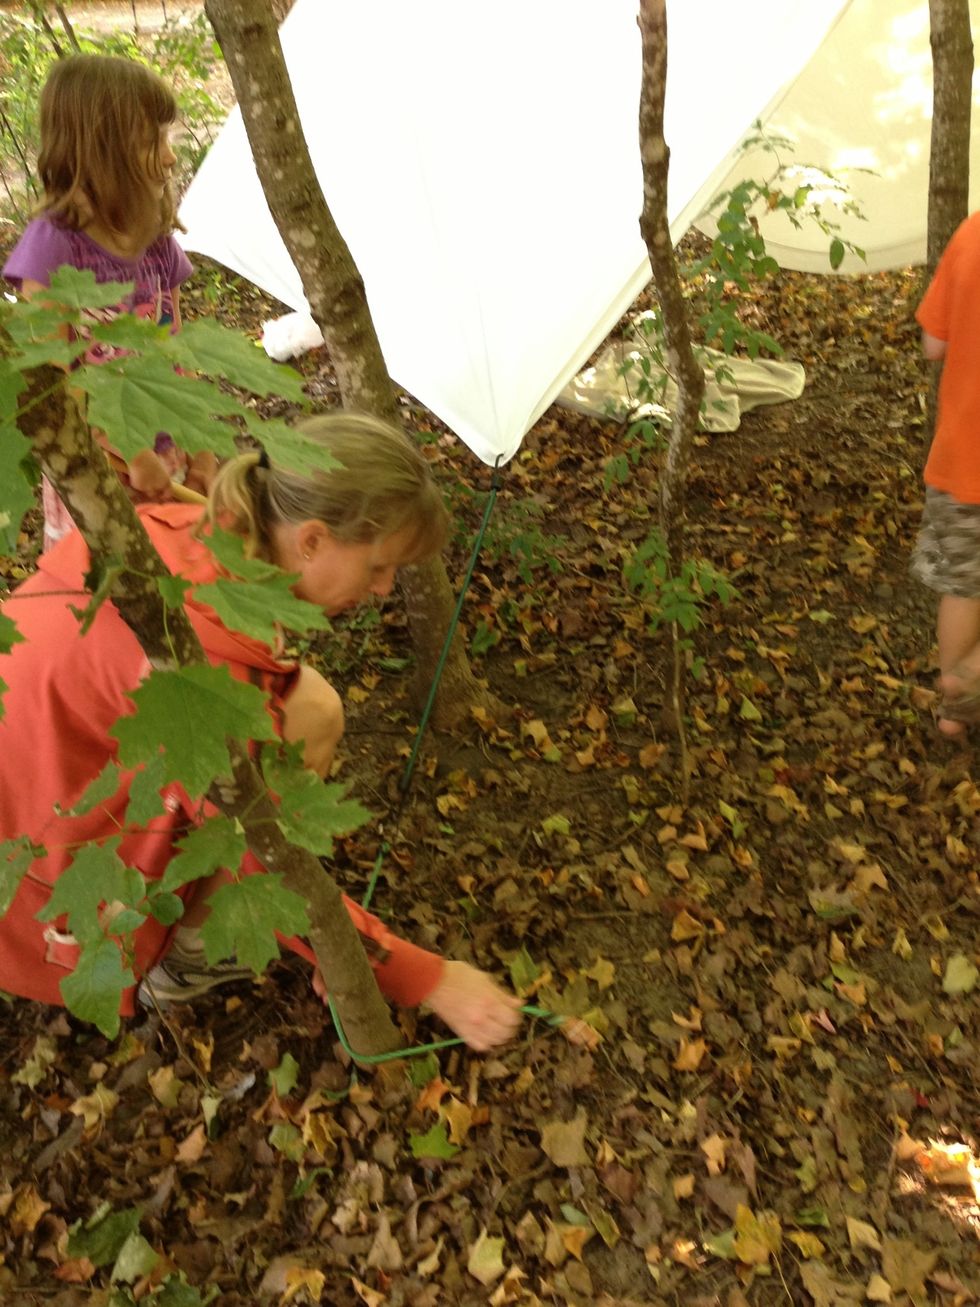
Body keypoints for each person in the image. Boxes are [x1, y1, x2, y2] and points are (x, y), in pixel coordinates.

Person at [0, 414, 521, 1053]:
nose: (385, 590)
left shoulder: (195, 532)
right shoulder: (204, 668)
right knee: (246, 811)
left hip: (51, 757)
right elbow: (260, 849)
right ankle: (179, 962)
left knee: (313, 709)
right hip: (33, 846)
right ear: (311, 540)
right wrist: (427, 978)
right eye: (379, 567)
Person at [2, 53, 216, 551]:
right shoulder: (54, 249)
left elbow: (179, 356)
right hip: (102, 477)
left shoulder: (157, 241)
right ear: (101, 150)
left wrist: (204, 447)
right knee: (117, 599)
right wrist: (130, 449)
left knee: (178, 586)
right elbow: (53, 383)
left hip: (168, 459)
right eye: (152, 141)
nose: (168, 157)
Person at [912, 211, 980, 738]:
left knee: (964, 586)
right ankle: (972, 675)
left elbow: (934, 345)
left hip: (961, 458)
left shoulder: (973, 230)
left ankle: (952, 715)